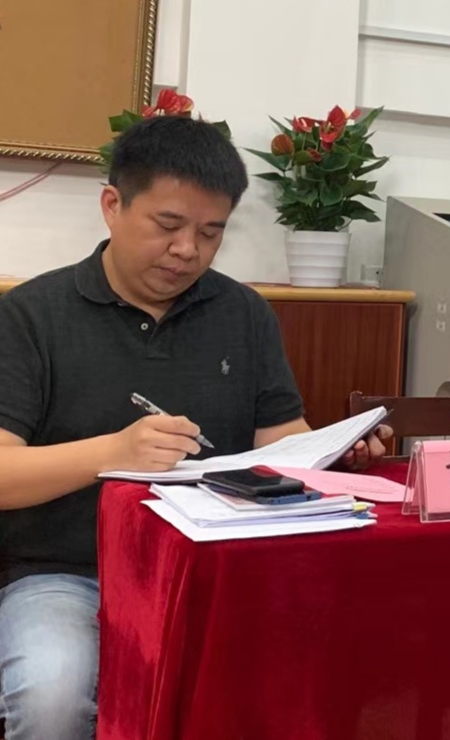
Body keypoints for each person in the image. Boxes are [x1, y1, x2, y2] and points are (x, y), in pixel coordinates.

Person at [0, 116, 392, 740]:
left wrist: (336, 452)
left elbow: (282, 441)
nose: (188, 250)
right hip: (68, 574)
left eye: (211, 233)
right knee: (52, 697)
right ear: (112, 206)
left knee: (332, 660)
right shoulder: (30, 316)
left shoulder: (243, 312)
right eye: (168, 225)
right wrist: (115, 451)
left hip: (220, 570)